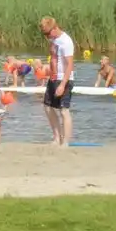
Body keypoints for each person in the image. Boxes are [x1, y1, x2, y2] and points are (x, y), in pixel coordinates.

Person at [40, 17, 76, 146]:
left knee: (64, 110)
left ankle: (65, 142)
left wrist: (62, 84)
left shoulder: (66, 41)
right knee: (47, 107)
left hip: (64, 79)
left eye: (48, 33)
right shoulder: (54, 40)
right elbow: (54, 59)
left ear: (55, 28)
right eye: (45, 34)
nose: (47, 36)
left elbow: (70, 65)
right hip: (54, 78)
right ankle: (57, 137)